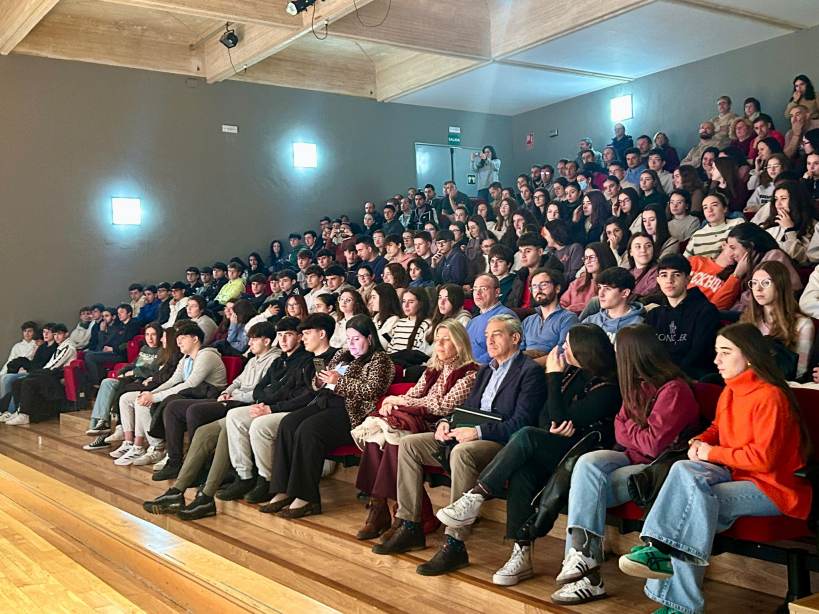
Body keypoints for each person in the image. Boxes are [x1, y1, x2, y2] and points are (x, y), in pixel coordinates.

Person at [618, 323, 810, 614]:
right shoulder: (731, 390)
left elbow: (764, 460)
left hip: (774, 487)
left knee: (692, 505)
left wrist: (711, 452)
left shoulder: (770, 396)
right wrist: (700, 441)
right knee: (683, 470)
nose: (716, 360)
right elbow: (718, 428)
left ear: (749, 356)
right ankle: (662, 555)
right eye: (717, 352)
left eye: (725, 352)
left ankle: (676, 592)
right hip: (737, 474)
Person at [436, 324, 621, 586]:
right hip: (554, 445)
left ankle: (477, 495)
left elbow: (560, 419)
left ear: (584, 349)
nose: (563, 348)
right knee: (523, 470)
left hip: (581, 455)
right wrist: (557, 418)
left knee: (526, 435)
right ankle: (520, 552)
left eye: (568, 344)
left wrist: (553, 377)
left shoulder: (609, 386)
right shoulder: (573, 373)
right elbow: (546, 418)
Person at [372, 314, 547, 576]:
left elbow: (521, 423)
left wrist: (477, 431)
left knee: (462, 453)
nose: (489, 341)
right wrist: (446, 422)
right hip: (468, 433)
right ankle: (410, 525)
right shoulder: (486, 370)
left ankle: (455, 543)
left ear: (515, 338)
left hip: (500, 443)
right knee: (409, 445)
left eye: (496, 334)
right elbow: (466, 409)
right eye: (486, 336)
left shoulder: (529, 372)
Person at [550, 325, 701, 604]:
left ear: (634, 354)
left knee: (587, 489)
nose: (615, 357)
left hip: (656, 466)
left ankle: (587, 579)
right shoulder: (635, 385)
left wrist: (630, 430)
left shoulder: (674, 390)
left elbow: (652, 445)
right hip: (631, 455)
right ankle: (581, 555)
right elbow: (620, 430)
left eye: (619, 351)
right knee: (587, 462)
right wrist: (634, 431)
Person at [352, 320, 479, 539]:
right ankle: (379, 506)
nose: (439, 345)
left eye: (446, 340)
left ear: (460, 343)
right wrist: (394, 403)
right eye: (437, 340)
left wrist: (401, 402)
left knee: (395, 442)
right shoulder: (434, 368)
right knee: (377, 438)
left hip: (440, 426)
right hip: (418, 421)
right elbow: (414, 394)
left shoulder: (470, 373)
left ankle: (406, 515)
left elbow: (443, 406)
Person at [263, 315, 394, 518]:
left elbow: (371, 391)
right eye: (348, 339)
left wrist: (339, 381)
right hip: (325, 402)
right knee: (288, 423)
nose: (351, 344)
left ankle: (307, 498)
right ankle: (283, 489)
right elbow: (318, 383)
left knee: (308, 430)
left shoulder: (380, 360)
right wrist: (320, 380)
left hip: (352, 412)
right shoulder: (342, 354)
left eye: (356, 339)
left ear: (369, 338)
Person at [157, 322, 279, 473]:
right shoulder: (253, 360)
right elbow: (237, 381)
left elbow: (261, 391)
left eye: (254, 339)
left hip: (245, 402)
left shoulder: (274, 360)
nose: (249, 343)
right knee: (173, 407)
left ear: (266, 341)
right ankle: (174, 461)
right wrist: (226, 393)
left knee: (195, 411)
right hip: (230, 397)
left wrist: (233, 396)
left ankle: (198, 464)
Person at [112, 322, 227, 473]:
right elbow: (173, 381)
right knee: (141, 400)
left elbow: (191, 383)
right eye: (177, 339)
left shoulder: (207, 355)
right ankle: (154, 446)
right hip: (191, 393)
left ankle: (163, 450)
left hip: (209, 395)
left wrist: (156, 397)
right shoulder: (186, 358)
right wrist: (151, 394)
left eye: (182, 338)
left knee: (167, 404)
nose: (178, 342)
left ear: (195, 339)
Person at [645, 254, 720, 378]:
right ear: (658, 280)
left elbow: (699, 354)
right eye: (664, 275)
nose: (669, 280)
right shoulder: (654, 315)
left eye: (676, 275)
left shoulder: (706, 311)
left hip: (693, 377)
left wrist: (670, 375)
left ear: (688, 279)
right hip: (659, 377)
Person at [81, 323, 163, 435]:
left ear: (159, 336)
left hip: (141, 382)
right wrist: (122, 372)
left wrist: (133, 373)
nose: (150, 338)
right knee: (107, 382)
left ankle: (112, 425)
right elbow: (134, 364)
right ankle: (101, 422)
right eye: (147, 334)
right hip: (130, 378)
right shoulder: (144, 348)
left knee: (121, 385)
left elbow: (154, 371)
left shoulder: (162, 351)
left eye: (153, 334)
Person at [741, 261, 814, 379]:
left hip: (779, 382)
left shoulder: (803, 324)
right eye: (754, 283)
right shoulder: (748, 319)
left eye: (766, 283)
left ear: (781, 285)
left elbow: (800, 371)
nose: (758, 289)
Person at [3, 324, 77, 426]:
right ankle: (18, 411)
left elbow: (55, 365)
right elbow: (49, 364)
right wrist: (38, 372)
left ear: (66, 334)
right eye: (55, 334)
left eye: (59, 334)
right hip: (48, 373)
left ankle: (25, 414)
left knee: (27, 382)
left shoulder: (69, 347)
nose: (56, 337)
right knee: (17, 382)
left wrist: (38, 373)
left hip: (56, 375)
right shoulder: (60, 346)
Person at [521, 268, 578, 364]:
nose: (538, 290)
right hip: (524, 365)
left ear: (557, 288)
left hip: (550, 368)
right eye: (534, 286)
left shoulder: (568, 318)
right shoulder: (528, 321)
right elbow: (518, 350)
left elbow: (563, 353)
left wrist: (528, 366)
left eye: (543, 285)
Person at [83, 303, 141, 385]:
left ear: (129, 313)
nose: (119, 315)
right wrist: (103, 334)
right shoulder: (120, 326)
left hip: (121, 354)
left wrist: (113, 348)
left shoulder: (133, 324)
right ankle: (96, 381)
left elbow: (127, 343)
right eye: (118, 313)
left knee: (90, 356)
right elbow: (107, 342)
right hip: (113, 352)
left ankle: (96, 383)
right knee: (89, 354)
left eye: (122, 312)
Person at [466, 274, 518, 364]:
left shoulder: (505, 315)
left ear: (497, 292)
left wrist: (473, 366)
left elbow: (503, 350)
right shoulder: (472, 321)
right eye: (475, 289)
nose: (477, 293)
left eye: (483, 288)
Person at [581, 267, 644, 340]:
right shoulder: (590, 321)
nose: (600, 294)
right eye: (600, 287)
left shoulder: (638, 326)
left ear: (625, 293)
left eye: (607, 289)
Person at [762, 180, 816, 265]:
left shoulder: (813, 226)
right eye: (776, 199)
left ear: (796, 200)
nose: (778, 204)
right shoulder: (771, 224)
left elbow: (804, 259)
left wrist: (790, 230)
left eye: (783, 198)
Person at [560, 243, 617, 314]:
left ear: (603, 258)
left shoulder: (614, 283)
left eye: (592, 257)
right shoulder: (577, 282)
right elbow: (562, 304)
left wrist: (574, 308)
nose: (587, 261)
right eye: (585, 258)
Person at [683, 193, 742, 259]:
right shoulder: (696, 235)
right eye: (705, 208)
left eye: (714, 205)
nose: (709, 210)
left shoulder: (737, 223)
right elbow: (684, 261)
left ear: (725, 208)